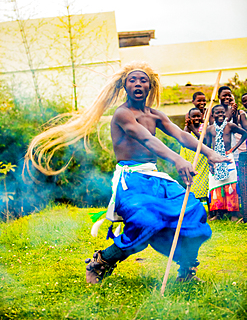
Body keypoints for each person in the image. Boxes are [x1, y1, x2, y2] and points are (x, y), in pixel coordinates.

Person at [24, 62, 229, 284]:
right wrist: (178, 159)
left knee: (194, 211)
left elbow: (181, 135)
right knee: (146, 220)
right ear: (125, 85)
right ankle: (102, 261)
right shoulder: (122, 114)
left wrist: (210, 153)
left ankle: (186, 272)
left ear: (150, 87)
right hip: (131, 180)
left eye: (143, 80)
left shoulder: (155, 115)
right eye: (133, 80)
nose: (138, 83)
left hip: (156, 177)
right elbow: (146, 138)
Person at [206, 105, 247, 221]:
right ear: (213, 115)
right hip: (215, 158)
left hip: (228, 157)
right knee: (216, 186)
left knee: (231, 185)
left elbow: (244, 134)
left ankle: (234, 213)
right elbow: (207, 146)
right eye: (217, 113)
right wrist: (210, 163)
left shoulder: (230, 126)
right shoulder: (209, 129)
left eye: (222, 112)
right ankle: (219, 213)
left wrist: (234, 148)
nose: (220, 115)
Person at [180, 108, 210, 209]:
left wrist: (193, 129)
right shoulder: (187, 128)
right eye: (194, 116)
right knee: (195, 185)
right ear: (189, 118)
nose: (196, 118)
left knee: (206, 185)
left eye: (198, 116)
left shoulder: (204, 127)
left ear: (202, 116)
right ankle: (196, 208)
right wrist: (189, 127)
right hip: (192, 158)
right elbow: (184, 139)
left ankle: (210, 210)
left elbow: (204, 140)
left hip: (203, 160)